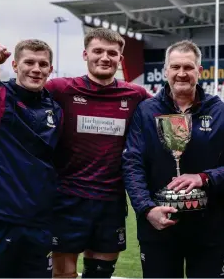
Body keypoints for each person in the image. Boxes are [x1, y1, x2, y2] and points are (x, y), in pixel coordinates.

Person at [122, 40, 224, 278]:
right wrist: (146, 208)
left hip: (208, 226)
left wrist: (204, 177)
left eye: (188, 67)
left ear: (199, 71)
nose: (182, 73)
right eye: (175, 67)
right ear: (165, 71)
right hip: (157, 224)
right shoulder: (146, 111)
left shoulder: (219, 111)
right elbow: (132, 164)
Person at [44, 28, 151, 278]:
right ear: (85, 54)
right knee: (63, 273)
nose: (105, 57)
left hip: (110, 200)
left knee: (100, 273)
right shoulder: (60, 88)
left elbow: (168, 108)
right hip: (67, 198)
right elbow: (17, 95)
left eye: (112, 53)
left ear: (120, 59)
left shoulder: (135, 95)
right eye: (98, 51)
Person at [0, 40, 63, 278]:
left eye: (43, 64)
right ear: (16, 65)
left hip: (40, 221)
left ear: (51, 69)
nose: (36, 69)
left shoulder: (55, 110)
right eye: (29, 62)